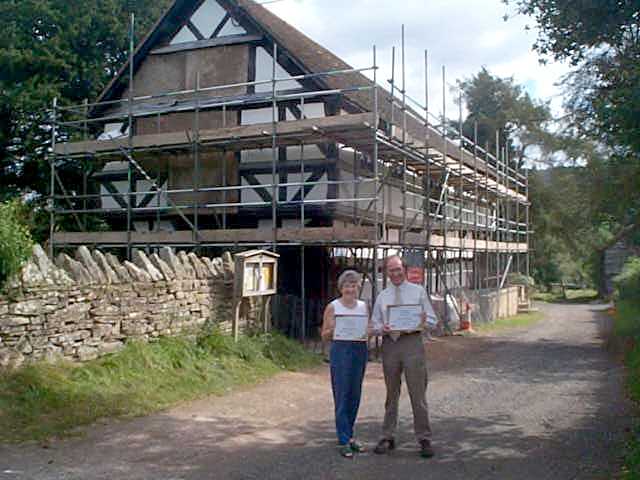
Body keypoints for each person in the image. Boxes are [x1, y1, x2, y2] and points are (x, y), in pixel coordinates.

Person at [371, 255, 437, 458]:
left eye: (398, 269)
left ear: (405, 270)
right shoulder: (383, 296)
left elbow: (433, 320)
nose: (396, 274)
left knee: (418, 393)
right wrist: (382, 328)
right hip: (391, 344)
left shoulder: (418, 292)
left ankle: (424, 438)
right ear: (386, 273)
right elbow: (374, 324)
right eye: (391, 270)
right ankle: (387, 436)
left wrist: (423, 322)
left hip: (413, 343)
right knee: (392, 394)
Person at [321, 269, 370, 458]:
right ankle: (343, 439)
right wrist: (334, 330)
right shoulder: (333, 307)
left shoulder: (363, 307)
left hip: (359, 349)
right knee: (341, 393)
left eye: (354, 285)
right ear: (341, 288)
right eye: (347, 285)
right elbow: (324, 335)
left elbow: (368, 329)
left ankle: (350, 436)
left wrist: (371, 330)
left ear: (358, 287)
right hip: (341, 349)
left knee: (355, 393)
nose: (350, 289)